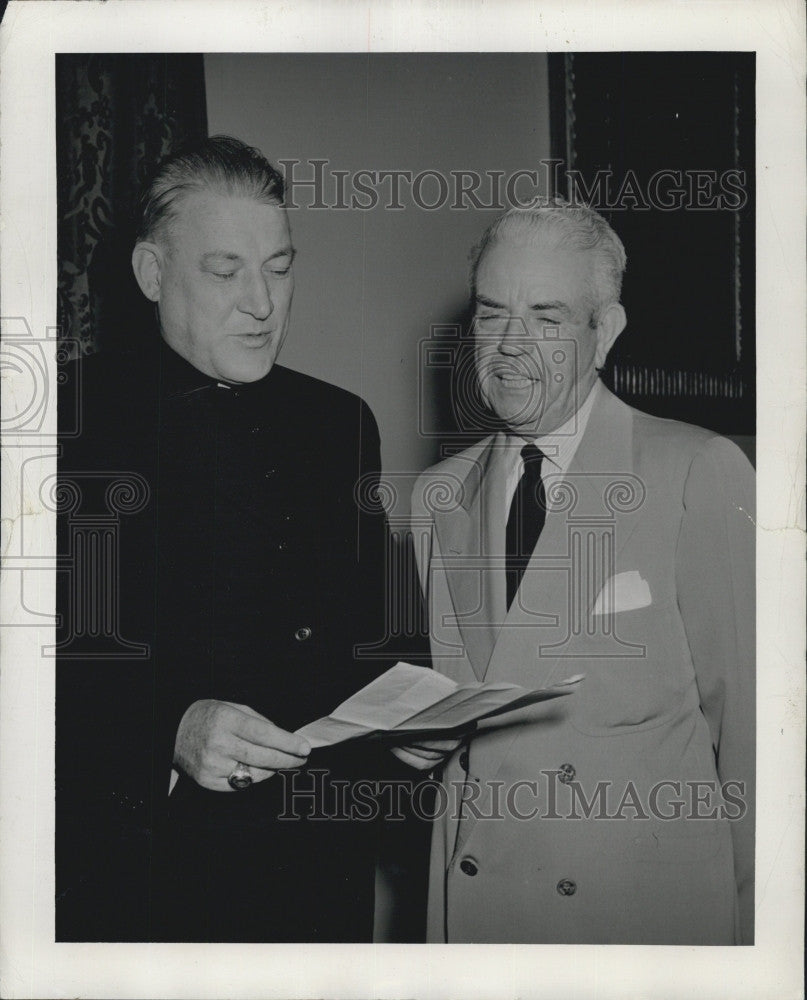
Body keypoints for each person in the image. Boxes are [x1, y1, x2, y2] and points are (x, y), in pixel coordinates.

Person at [55, 135, 439, 942]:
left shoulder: (341, 423)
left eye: (280, 266)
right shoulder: (64, 423)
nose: (262, 304)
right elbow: (37, 666)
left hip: (314, 876)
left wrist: (414, 723)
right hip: (143, 884)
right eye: (225, 271)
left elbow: (386, 630)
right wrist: (166, 731)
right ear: (151, 275)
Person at [411, 201, 755, 944]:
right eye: (491, 313)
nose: (510, 347)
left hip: (640, 924)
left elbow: (756, 741)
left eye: (547, 318)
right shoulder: (437, 497)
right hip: (486, 920)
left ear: (605, 332)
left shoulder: (697, 471)